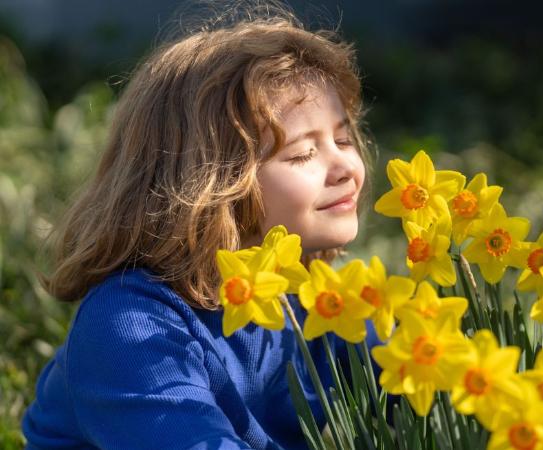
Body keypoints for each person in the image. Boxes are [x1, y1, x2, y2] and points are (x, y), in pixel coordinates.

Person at [21, 6, 376, 449]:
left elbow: (425, 392)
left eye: (343, 139)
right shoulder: (130, 327)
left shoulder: (312, 296)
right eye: (303, 153)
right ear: (212, 181)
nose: (346, 167)